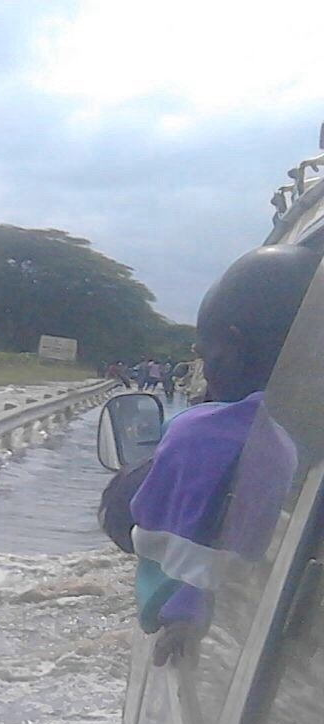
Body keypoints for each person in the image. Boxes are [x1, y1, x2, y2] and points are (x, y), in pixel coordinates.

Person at [110, 243, 320, 663]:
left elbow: (182, 543)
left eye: (207, 354)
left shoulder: (212, 436)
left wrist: (182, 611)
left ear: (235, 344)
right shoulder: (290, 439)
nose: (205, 371)